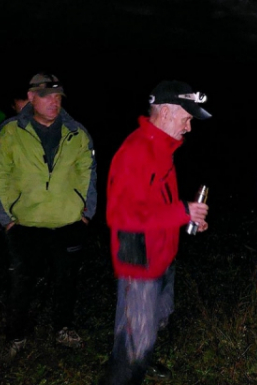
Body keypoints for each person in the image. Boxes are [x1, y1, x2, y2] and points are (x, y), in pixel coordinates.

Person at [101, 80, 212, 384]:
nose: (189, 127)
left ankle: (143, 359)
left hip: (161, 253)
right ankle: (127, 372)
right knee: (132, 344)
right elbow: (121, 215)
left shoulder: (162, 147)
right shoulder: (136, 151)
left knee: (150, 327)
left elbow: (152, 201)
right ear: (165, 112)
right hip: (139, 259)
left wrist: (186, 216)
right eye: (187, 118)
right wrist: (181, 212)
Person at [0, 72, 97, 361]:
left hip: (68, 222)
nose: (54, 101)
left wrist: (86, 212)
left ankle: (63, 328)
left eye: (58, 95)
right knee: (22, 284)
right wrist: (6, 218)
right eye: (47, 95)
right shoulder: (10, 132)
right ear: (32, 97)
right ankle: (17, 335)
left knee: (66, 281)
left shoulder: (77, 132)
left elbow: (89, 173)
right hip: (25, 224)